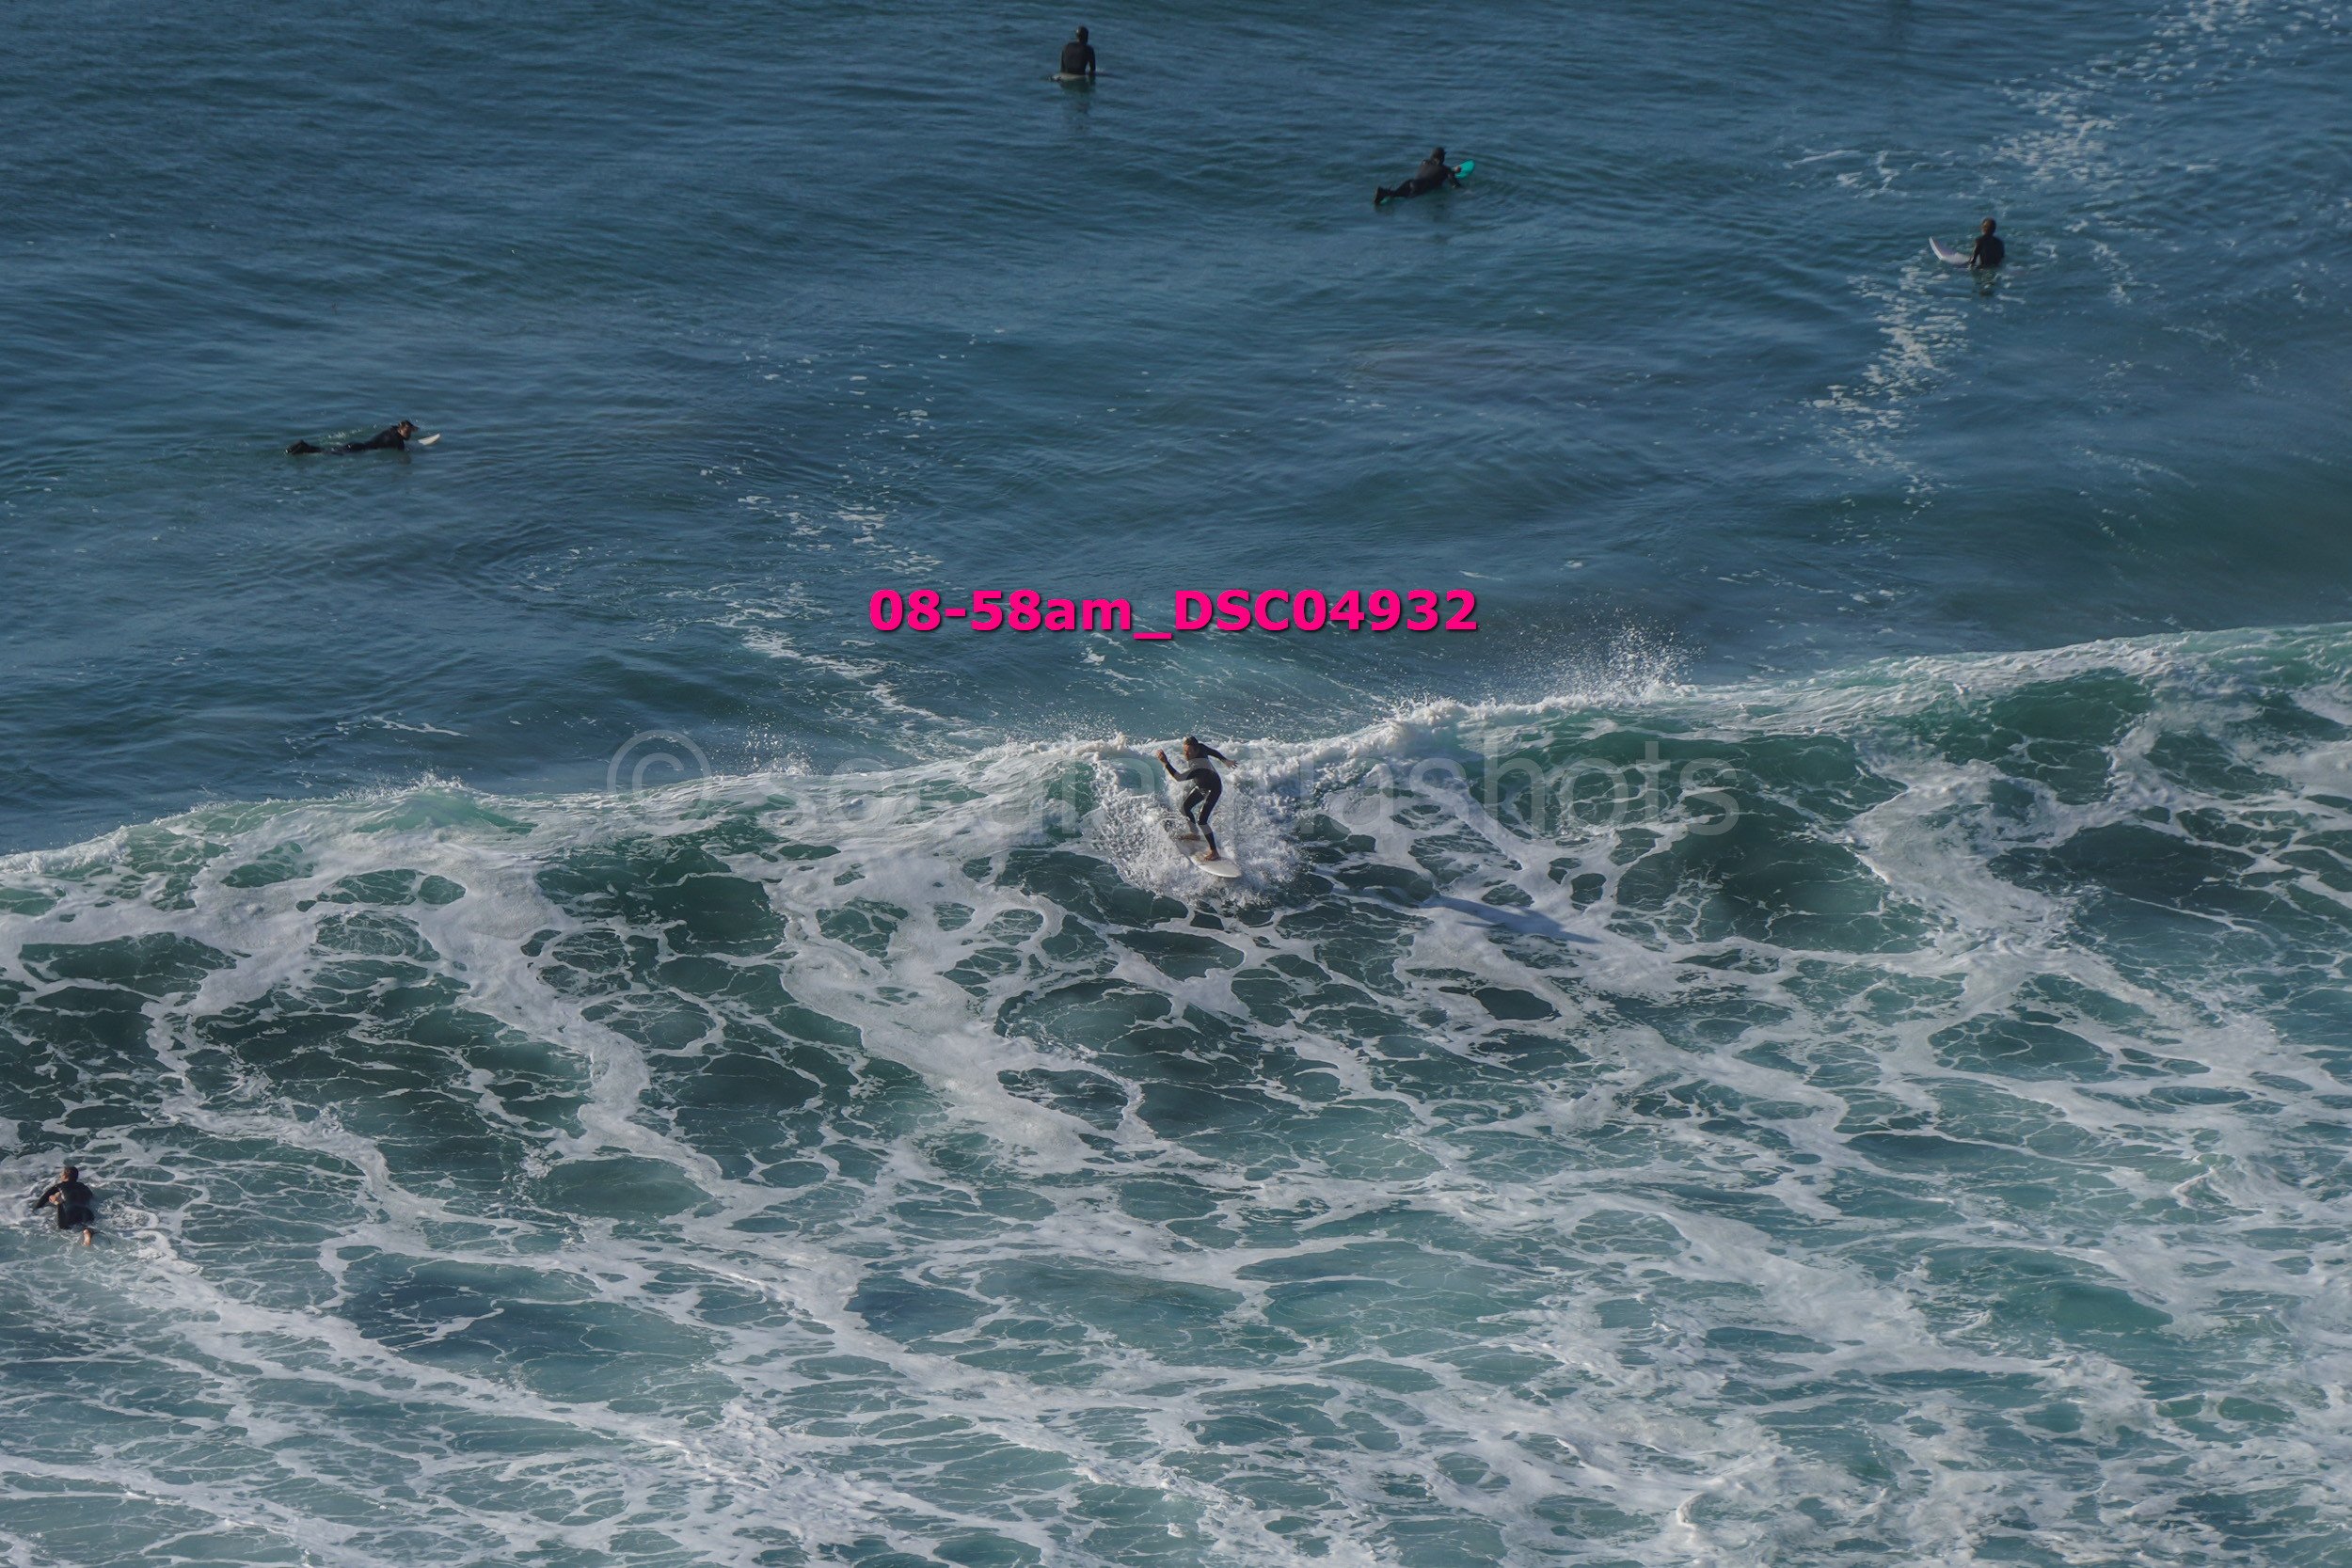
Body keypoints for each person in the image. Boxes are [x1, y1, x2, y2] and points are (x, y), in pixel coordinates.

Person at [1158, 736, 1234, 863]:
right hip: (1201, 786)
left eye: (1188, 752)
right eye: (1184, 750)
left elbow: (1179, 777)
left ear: (1196, 750)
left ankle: (1214, 852)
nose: (1185, 754)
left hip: (1213, 789)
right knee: (1185, 807)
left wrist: (1165, 763)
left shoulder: (1199, 765)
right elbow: (1214, 752)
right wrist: (1224, 760)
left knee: (1202, 820)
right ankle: (1195, 834)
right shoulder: (1202, 748)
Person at [31, 1164, 95, 1245]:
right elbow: (92, 1199)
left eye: (61, 1174)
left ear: (65, 1175)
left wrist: (35, 1209)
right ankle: (87, 1232)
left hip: (71, 1210)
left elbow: (43, 1199)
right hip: (86, 1211)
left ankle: (59, 1204)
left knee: (64, 1228)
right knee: (87, 1226)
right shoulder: (84, 1187)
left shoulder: (60, 1186)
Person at [1376, 147, 1460, 206]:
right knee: (1405, 199)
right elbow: (1454, 184)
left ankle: (1383, 192)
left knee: (1396, 194)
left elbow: (1435, 168)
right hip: (1420, 186)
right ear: (1442, 157)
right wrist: (1465, 191)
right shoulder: (1446, 170)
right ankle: (1386, 195)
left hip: (1411, 181)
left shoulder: (1424, 162)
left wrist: (1451, 170)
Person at [288, 420, 419, 455]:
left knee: (331, 450)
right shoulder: (398, 441)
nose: (409, 435)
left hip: (357, 444)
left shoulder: (391, 430)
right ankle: (305, 447)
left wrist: (412, 429)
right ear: (400, 430)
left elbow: (402, 429)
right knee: (329, 453)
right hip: (359, 449)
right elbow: (403, 452)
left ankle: (305, 448)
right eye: (407, 432)